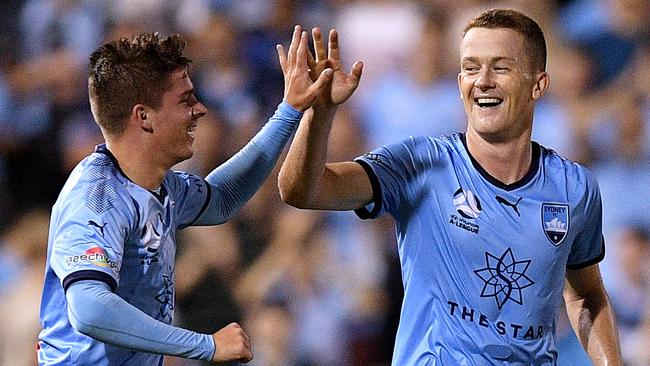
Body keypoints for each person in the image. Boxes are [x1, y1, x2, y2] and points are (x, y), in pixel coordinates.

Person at [278, 9, 623, 365]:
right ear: (460, 83)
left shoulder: (574, 188)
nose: (483, 80)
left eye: (500, 67)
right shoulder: (420, 163)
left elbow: (586, 298)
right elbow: (303, 191)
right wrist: (318, 114)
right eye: (471, 68)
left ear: (538, 84)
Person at [38, 27, 333, 365]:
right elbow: (88, 308)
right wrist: (205, 345)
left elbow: (222, 197)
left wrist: (290, 109)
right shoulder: (97, 199)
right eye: (186, 100)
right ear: (144, 117)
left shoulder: (162, 187)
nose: (201, 109)